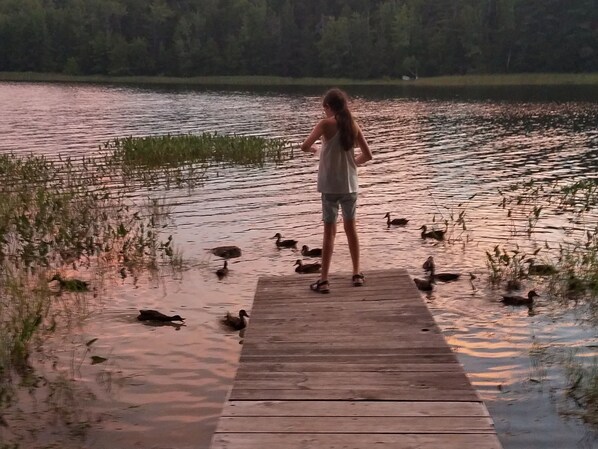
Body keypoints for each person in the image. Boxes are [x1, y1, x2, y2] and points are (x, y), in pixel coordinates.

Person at [300, 88, 373, 294]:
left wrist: (316, 150)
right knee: (351, 230)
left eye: (324, 108)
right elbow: (368, 155)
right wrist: (351, 166)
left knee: (329, 233)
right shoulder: (353, 125)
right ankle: (357, 274)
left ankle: (323, 280)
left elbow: (304, 146)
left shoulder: (325, 124)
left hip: (330, 187)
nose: (324, 112)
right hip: (350, 186)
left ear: (328, 107)